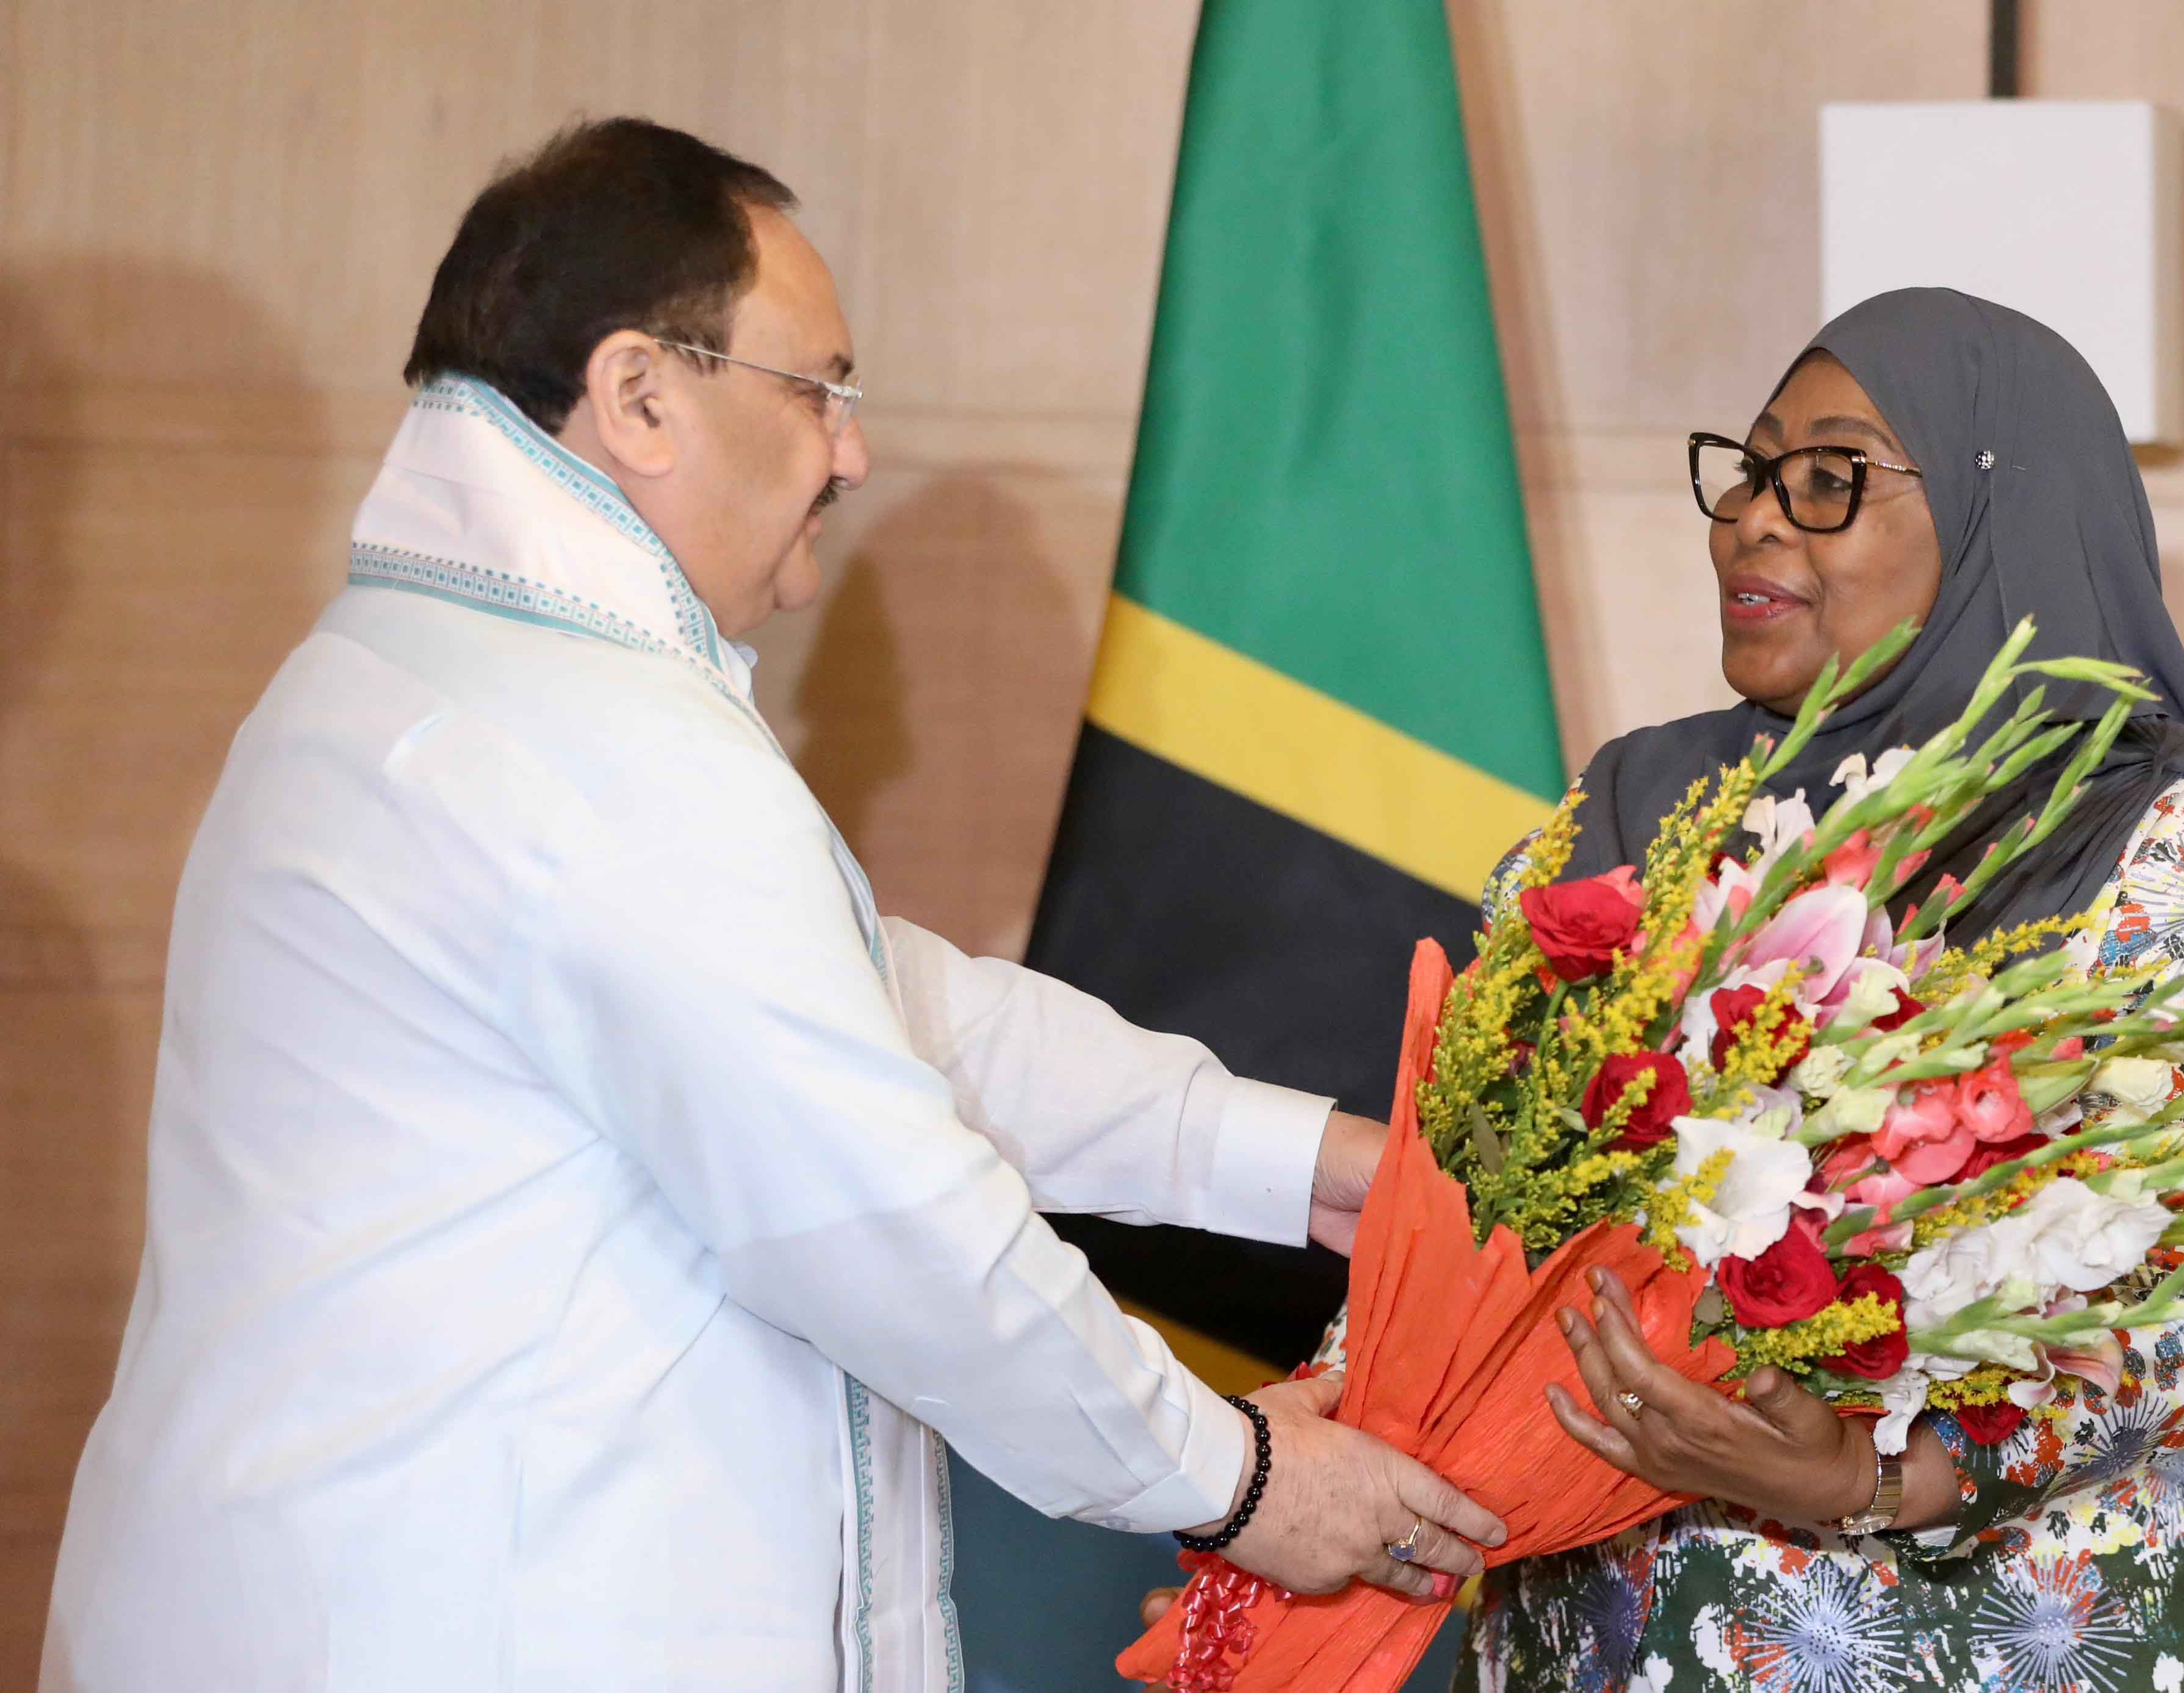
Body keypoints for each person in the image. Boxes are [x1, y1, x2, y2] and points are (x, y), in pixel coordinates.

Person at [40, 118, 1502, 1693]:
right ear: (639, 394)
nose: (852, 452)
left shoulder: (425, 677)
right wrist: (1242, 1480)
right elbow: (888, 1205)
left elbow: (884, 1009)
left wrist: (1304, 1167)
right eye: (819, 388)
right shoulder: (591, 739)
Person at [1457, 289, 2184, 1692]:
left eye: (1827, 478)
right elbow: (1465, 1183)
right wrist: (1337, 1423)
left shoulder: (2163, 832)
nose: (1751, 516)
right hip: (1614, 1635)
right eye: (1748, 469)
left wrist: (1876, 1474)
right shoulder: (1632, 803)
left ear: (2004, 513)